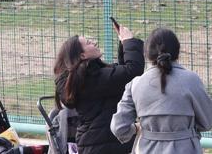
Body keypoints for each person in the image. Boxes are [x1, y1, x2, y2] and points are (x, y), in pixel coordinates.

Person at [110, 27, 212, 153]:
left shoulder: (135, 84)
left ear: (147, 53)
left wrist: (137, 128)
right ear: (177, 51)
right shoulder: (191, 80)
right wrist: (187, 129)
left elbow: (119, 127)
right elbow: (208, 121)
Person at [54, 23, 145, 154]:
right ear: (82, 56)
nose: (94, 43)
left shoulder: (90, 77)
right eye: (89, 43)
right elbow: (133, 71)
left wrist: (123, 45)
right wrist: (129, 41)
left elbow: (122, 78)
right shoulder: (91, 79)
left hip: (98, 144)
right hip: (103, 146)